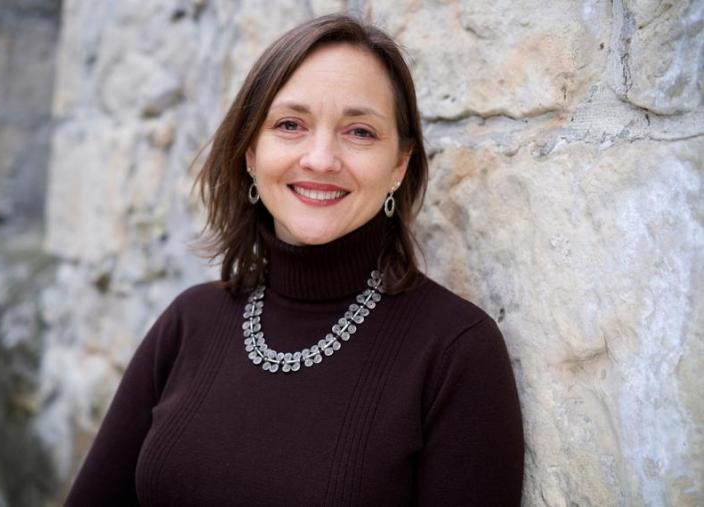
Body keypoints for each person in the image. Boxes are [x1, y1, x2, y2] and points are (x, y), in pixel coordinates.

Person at [65, 13, 524, 506]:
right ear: (249, 154)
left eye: (360, 132)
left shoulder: (455, 351)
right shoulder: (189, 323)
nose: (321, 159)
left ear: (399, 165)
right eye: (290, 125)